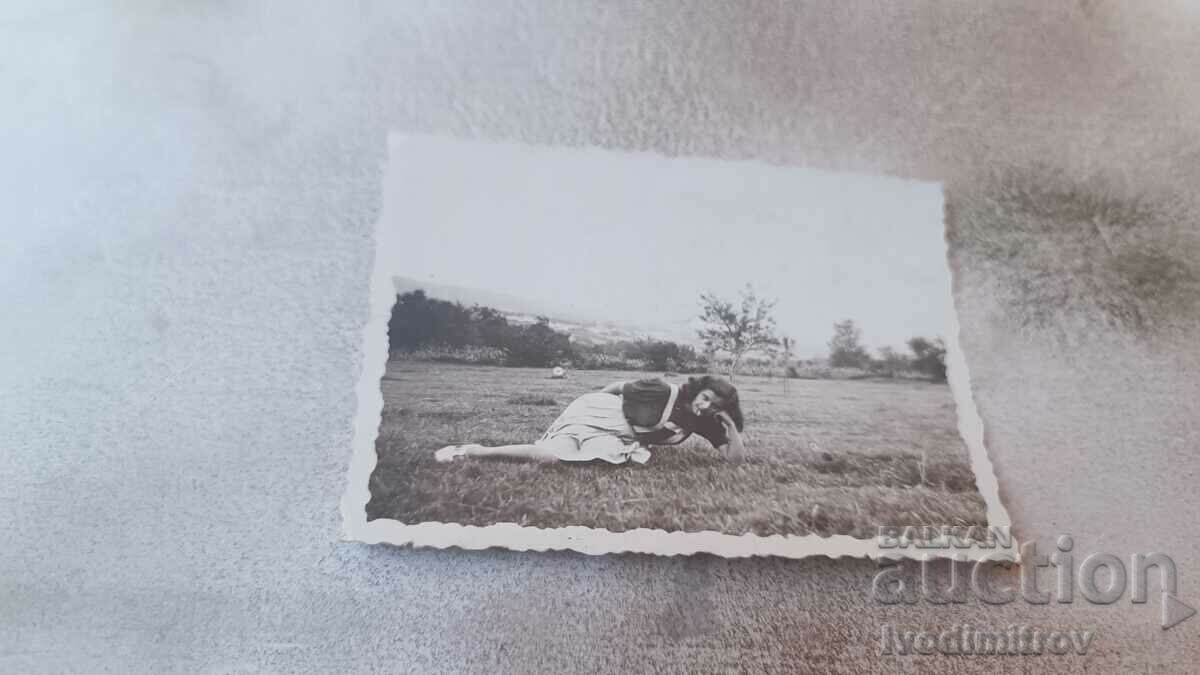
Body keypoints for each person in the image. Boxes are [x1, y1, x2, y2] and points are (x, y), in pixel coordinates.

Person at [434, 375, 745, 464]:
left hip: (619, 435)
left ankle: (474, 451)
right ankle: (473, 451)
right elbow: (614, 388)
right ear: (698, 390)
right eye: (705, 398)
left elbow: (733, 459)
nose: (705, 406)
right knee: (551, 456)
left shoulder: (705, 421)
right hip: (595, 413)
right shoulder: (662, 390)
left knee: (559, 460)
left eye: (714, 405)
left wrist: (729, 425)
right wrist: (593, 406)